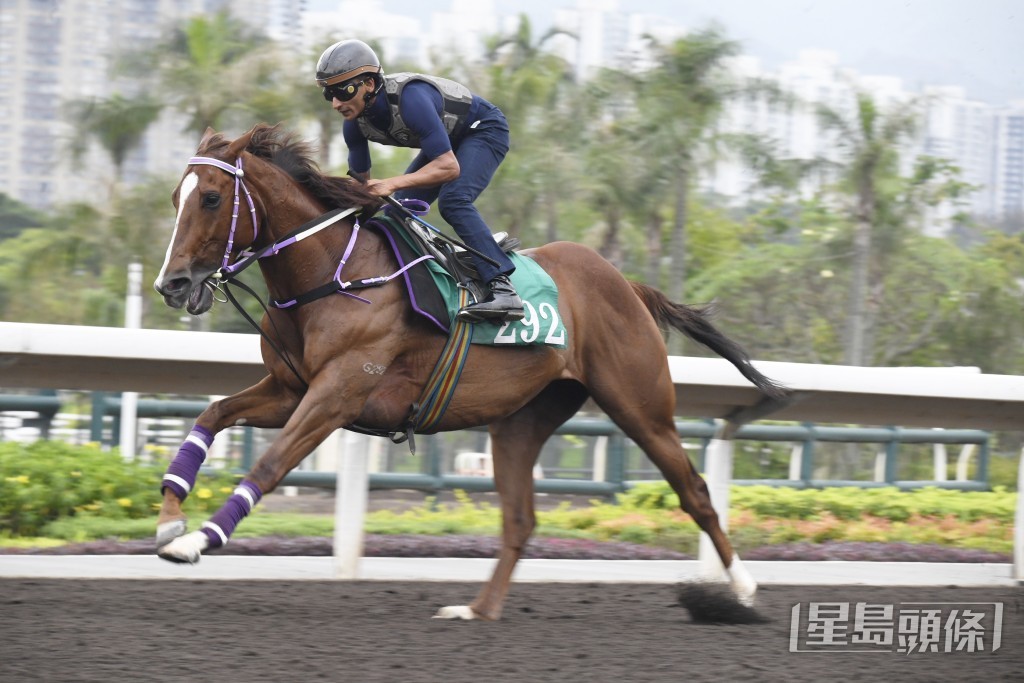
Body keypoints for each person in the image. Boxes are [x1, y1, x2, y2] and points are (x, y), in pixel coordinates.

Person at [315, 38, 524, 323]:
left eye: (343, 91)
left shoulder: (410, 99)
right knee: (395, 213)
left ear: (369, 83)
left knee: (453, 200)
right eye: (329, 94)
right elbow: (362, 190)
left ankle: (503, 289)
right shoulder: (354, 125)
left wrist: (391, 183)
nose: (336, 103)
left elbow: (448, 167)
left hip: (482, 130)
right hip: (446, 143)